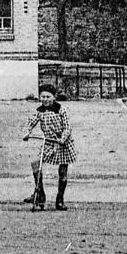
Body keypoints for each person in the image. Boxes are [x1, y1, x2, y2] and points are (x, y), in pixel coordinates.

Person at [21, 83, 78, 211]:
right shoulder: (39, 111)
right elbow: (30, 123)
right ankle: (40, 195)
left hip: (62, 144)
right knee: (36, 164)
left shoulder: (60, 109)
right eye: (43, 97)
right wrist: (26, 132)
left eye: (48, 97)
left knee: (62, 172)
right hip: (48, 142)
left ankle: (60, 200)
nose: (45, 99)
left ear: (54, 97)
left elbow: (67, 126)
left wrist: (63, 138)